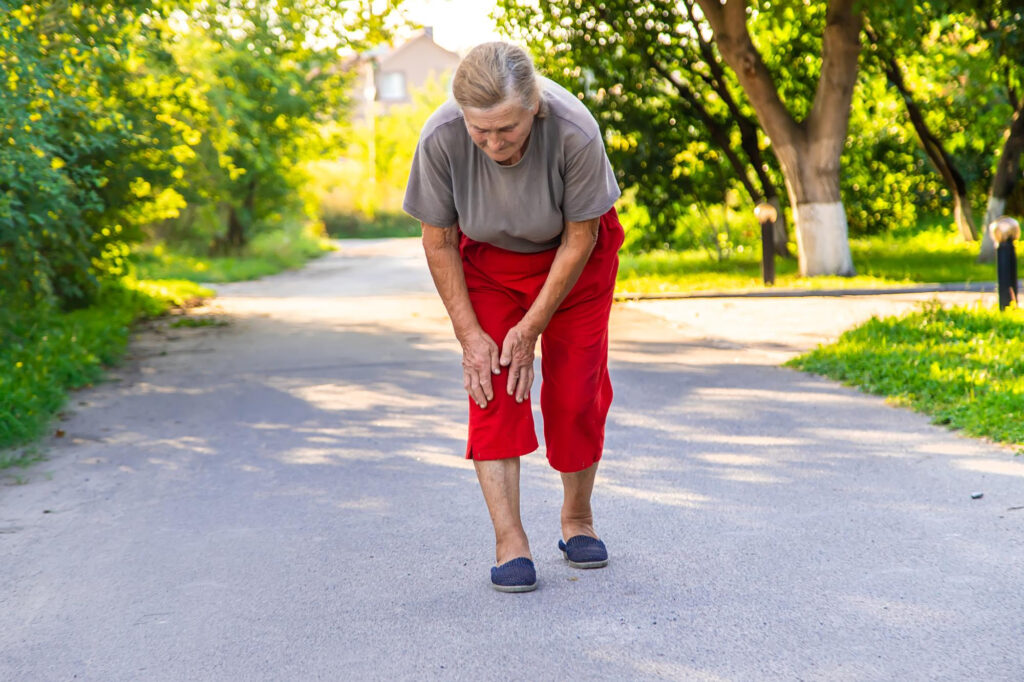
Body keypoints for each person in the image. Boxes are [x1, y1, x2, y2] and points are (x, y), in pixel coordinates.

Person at [403, 42, 623, 593]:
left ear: (534, 108)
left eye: (507, 129)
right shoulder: (440, 138)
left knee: (576, 394)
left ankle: (577, 519)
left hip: (575, 261)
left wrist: (531, 329)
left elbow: (582, 237)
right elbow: (439, 240)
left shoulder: (574, 129)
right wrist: (471, 336)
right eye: (481, 131)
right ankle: (511, 541)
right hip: (489, 262)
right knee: (491, 383)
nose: (494, 144)